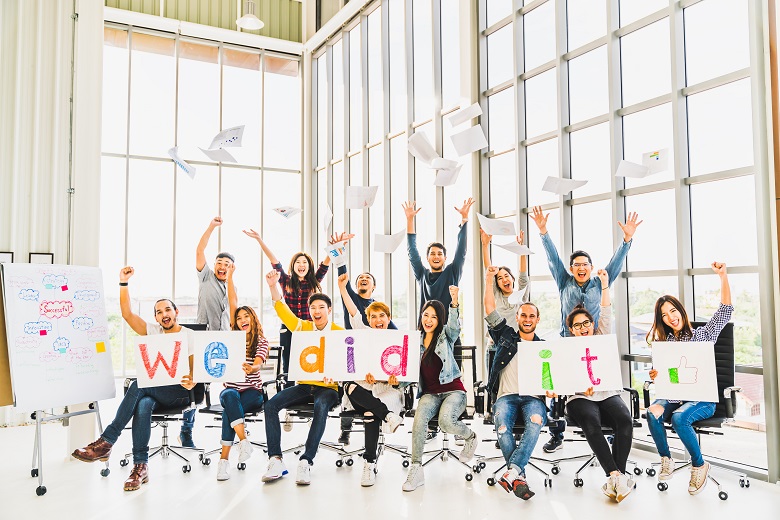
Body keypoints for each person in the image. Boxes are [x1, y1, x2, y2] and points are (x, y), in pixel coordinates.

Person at [71, 267, 196, 492]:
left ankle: (107, 440)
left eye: (168, 309)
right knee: (144, 403)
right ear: (156, 317)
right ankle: (140, 467)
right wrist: (123, 283)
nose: (164, 314)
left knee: (139, 385)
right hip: (154, 392)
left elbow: (197, 371)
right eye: (159, 312)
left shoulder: (189, 335)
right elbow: (127, 314)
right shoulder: (152, 331)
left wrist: (193, 380)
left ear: (176, 312)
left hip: (178, 393)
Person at [645, 261, 733, 496]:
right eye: (664, 315)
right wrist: (656, 375)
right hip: (674, 396)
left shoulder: (703, 334)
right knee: (651, 412)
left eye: (672, 311)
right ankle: (666, 459)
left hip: (701, 399)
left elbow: (725, 309)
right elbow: (665, 376)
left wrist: (723, 276)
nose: (670, 317)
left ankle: (699, 464)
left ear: (680, 310)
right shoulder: (666, 344)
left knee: (680, 418)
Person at [557, 269, 635, 502]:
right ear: (571, 330)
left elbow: (607, 312)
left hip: (606, 392)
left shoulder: (601, 337)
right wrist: (580, 389)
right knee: (591, 422)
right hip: (580, 397)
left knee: (624, 420)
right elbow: (562, 380)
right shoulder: (566, 348)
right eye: (577, 325)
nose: (583, 328)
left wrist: (604, 285)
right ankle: (614, 474)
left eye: (586, 323)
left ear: (592, 324)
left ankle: (616, 476)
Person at [260, 269, 342, 486]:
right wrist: (272, 286)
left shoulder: (339, 332)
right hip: (305, 384)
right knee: (270, 405)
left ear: (329, 310)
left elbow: (348, 365)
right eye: (313, 308)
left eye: (321, 307)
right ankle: (275, 459)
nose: (316, 311)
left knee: (320, 407)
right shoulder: (302, 327)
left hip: (328, 388)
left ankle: (306, 461)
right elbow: (282, 310)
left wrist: (337, 377)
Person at [404, 197, 473, 443]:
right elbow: (412, 254)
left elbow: (462, 250)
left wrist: (464, 221)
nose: (436, 256)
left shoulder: (452, 272)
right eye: (432, 253)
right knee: (428, 378)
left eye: (439, 253)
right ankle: (432, 423)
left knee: (451, 381)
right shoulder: (422, 275)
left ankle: (454, 421)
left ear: (444, 258)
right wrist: (410, 221)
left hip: (450, 336)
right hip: (426, 336)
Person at [243, 229, 351, 381]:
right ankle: (289, 389)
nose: (301, 265)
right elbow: (274, 262)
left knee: (311, 357)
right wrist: (259, 240)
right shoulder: (285, 280)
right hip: (288, 327)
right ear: (293, 266)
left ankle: (310, 385)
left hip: (308, 327)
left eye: (305, 262)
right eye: (298, 262)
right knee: (288, 362)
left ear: (309, 266)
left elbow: (326, 263)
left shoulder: (314, 280)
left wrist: (337, 246)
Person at [402, 286, 478, 492]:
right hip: (430, 394)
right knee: (419, 420)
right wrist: (393, 381)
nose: (428, 320)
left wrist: (454, 301)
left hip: (454, 391)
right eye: (425, 315)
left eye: (433, 317)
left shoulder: (446, 335)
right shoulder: (414, 341)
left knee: (445, 421)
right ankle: (416, 468)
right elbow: (407, 372)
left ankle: (470, 437)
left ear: (439, 320)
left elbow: (454, 325)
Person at [483, 266, 547, 501]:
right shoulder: (506, 336)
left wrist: (551, 387)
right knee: (502, 426)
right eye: (524, 315)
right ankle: (518, 475)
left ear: (537, 320)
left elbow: (553, 377)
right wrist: (490, 278)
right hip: (506, 397)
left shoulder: (544, 349)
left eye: (532, 316)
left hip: (533, 397)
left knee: (535, 421)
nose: (527, 319)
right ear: (517, 317)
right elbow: (490, 308)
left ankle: (512, 472)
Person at [529, 206, 642, 337]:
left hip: (592, 338)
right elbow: (553, 259)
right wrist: (543, 231)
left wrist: (627, 239)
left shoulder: (600, 283)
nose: (581, 268)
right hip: (568, 339)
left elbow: (616, 263)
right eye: (577, 265)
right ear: (571, 269)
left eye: (585, 264)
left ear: (591, 268)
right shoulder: (564, 281)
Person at [337, 273, 405, 486]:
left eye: (381, 316)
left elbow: (406, 376)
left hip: (385, 389)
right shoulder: (363, 332)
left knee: (369, 412)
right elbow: (352, 311)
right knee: (349, 384)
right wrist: (342, 288)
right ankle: (388, 416)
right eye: (373, 317)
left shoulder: (397, 339)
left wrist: (395, 381)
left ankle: (369, 463)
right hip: (361, 387)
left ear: (388, 317)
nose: (377, 320)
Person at [215, 264, 270, 481]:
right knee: (229, 396)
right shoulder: (232, 340)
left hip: (252, 393)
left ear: (253, 319)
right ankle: (243, 441)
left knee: (229, 410)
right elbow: (232, 302)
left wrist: (252, 367)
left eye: (246, 317)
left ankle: (224, 461)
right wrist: (230, 278)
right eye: (238, 318)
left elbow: (258, 362)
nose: (242, 320)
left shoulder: (261, 341)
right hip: (232, 391)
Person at [335, 258, 397, 445]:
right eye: (360, 277)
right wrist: (340, 264)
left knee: (369, 397)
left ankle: (383, 419)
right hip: (355, 355)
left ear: (374, 285)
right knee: (351, 387)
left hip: (377, 374)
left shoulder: (378, 310)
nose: (363, 278)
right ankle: (345, 430)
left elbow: (397, 336)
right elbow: (348, 300)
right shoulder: (355, 302)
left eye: (367, 277)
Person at [190, 216, 237, 448]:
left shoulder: (232, 286)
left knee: (231, 384)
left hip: (225, 338)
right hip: (203, 335)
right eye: (220, 262)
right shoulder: (205, 276)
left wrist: (232, 279)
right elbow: (200, 249)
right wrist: (211, 226)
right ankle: (186, 429)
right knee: (194, 383)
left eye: (227, 265)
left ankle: (232, 428)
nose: (222, 266)